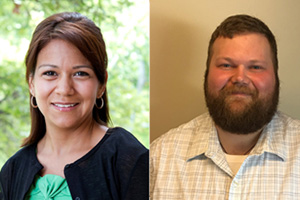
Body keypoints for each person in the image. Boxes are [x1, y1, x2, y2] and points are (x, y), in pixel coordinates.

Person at [0, 12, 148, 200]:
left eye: (80, 74)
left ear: (102, 84)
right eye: (50, 72)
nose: (64, 89)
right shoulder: (13, 169)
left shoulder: (129, 159)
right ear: (31, 84)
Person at [150, 14, 300, 199]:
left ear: (275, 78)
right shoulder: (159, 158)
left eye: (255, 67)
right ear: (206, 74)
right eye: (226, 65)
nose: (240, 78)